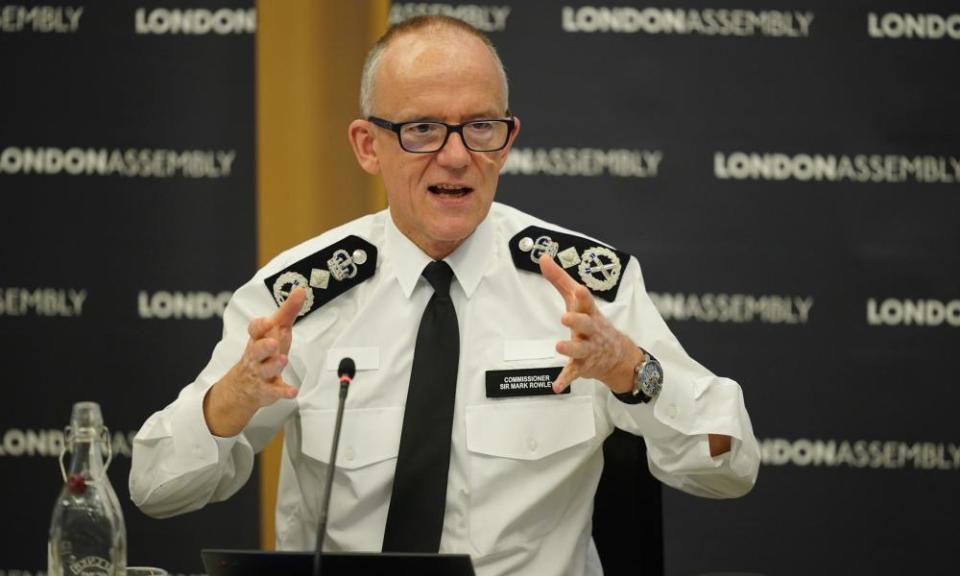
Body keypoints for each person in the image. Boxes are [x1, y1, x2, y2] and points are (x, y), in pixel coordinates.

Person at [130, 15, 759, 576]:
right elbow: (155, 487)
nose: (456, 156)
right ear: (367, 145)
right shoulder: (299, 296)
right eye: (423, 129)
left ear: (507, 140)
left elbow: (729, 467)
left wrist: (633, 372)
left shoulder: (584, 288)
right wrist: (229, 403)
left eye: (480, 127)